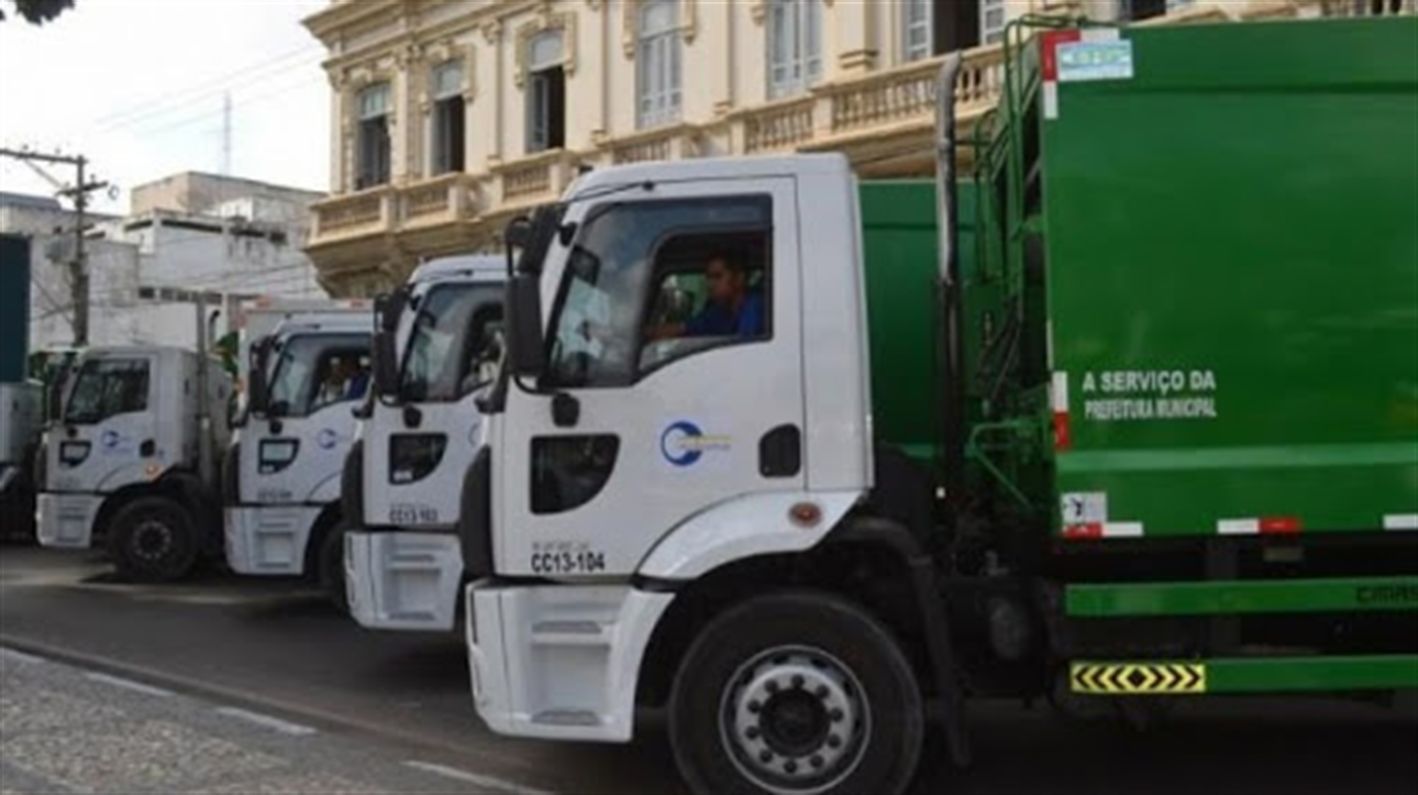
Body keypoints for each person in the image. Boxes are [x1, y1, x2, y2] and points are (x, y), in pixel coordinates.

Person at [652, 252, 764, 340]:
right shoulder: (719, 312)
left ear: (739, 278)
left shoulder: (757, 307)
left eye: (717, 276)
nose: (710, 284)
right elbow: (683, 328)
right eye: (709, 278)